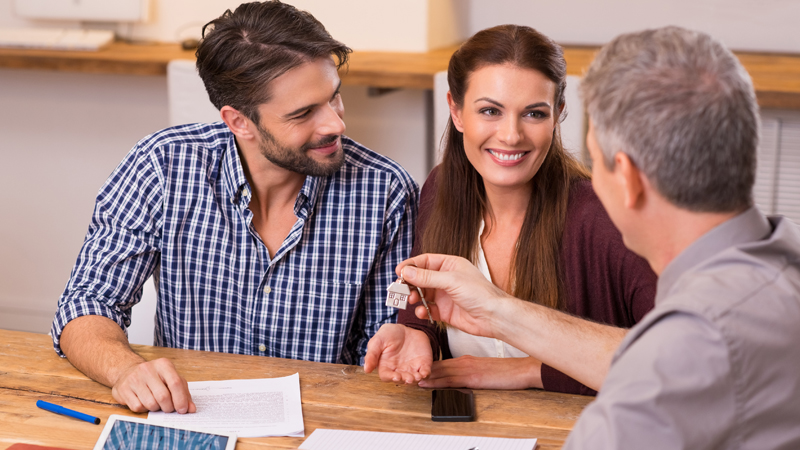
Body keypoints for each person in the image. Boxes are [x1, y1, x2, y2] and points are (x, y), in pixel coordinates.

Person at [388, 26, 800, 449]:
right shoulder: (781, 265)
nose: (511, 134)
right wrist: (493, 313)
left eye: (597, 162)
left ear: (628, 179)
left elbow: (667, 361)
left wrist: (519, 351)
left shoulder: (680, 355)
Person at [50, 1, 418, 415]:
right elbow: (87, 303)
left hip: (324, 421)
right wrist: (125, 370)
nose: (336, 124)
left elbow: (388, 347)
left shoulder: (386, 192)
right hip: (189, 418)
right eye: (303, 113)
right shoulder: (163, 166)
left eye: (334, 97)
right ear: (239, 121)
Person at [364, 25, 656, 396]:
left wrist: (529, 371)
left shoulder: (604, 217)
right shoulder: (440, 189)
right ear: (456, 111)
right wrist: (417, 334)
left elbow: (679, 364)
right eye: (490, 111)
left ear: (558, 114)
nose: (511, 135)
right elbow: (427, 306)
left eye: (534, 114)